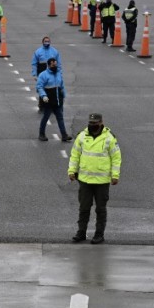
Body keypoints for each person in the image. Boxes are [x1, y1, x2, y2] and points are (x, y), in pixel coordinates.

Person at [68, 113, 122, 245]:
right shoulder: (82, 136)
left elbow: (116, 158)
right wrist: (72, 171)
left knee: (100, 209)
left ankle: (99, 234)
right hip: (85, 179)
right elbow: (75, 154)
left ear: (101, 122)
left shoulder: (109, 138)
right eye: (91, 123)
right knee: (84, 208)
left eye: (95, 123)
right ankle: (81, 233)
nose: (92, 125)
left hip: (101, 182)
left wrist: (115, 175)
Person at [36, 58, 71, 142]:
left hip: (58, 100)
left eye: (55, 64)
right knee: (46, 117)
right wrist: (43, 96)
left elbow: (61, 86)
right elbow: (39, 87)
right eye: (53, 65)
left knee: (60, 118)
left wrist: (64, 95)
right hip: (48, 101)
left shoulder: (58, 73)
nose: (55, 66)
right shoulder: (43, 75)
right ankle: (41, 134)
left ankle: (64, 135)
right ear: (48, 65)